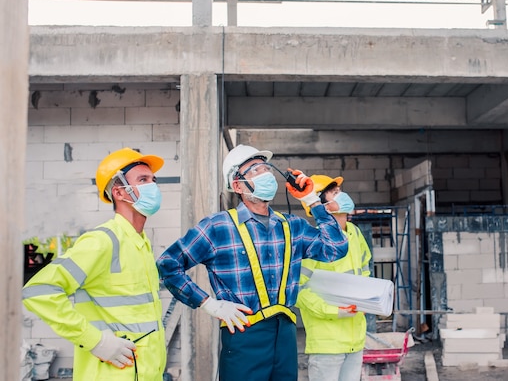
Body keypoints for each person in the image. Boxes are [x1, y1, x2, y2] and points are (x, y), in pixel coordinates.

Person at [156, 144, 349, 381]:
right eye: (255, 170)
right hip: (243, 336)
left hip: (285, 336)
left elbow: (336, 249)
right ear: (237, 185)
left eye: (266, 168)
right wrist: (208, 304)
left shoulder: (292, 226)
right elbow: (168, 264)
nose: (266, 174)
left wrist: (311, 200)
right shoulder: (218, 226)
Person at [22, 147, 167, 380]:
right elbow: (37, 291)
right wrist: (95, 340)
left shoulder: (141, 244)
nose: (154, 187)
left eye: (153, 180)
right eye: (143, 180)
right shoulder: (103, 241)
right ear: (119, 192)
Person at [296, 174, 372, 381]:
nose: (343, 195)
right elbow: (299, 292)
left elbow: (364, 272)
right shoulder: (311, 239)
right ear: (321, 204)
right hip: (327, 342)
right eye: (335, 192)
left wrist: (371, 300)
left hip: (356, 338)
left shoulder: (354, 233)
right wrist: (334, 311)